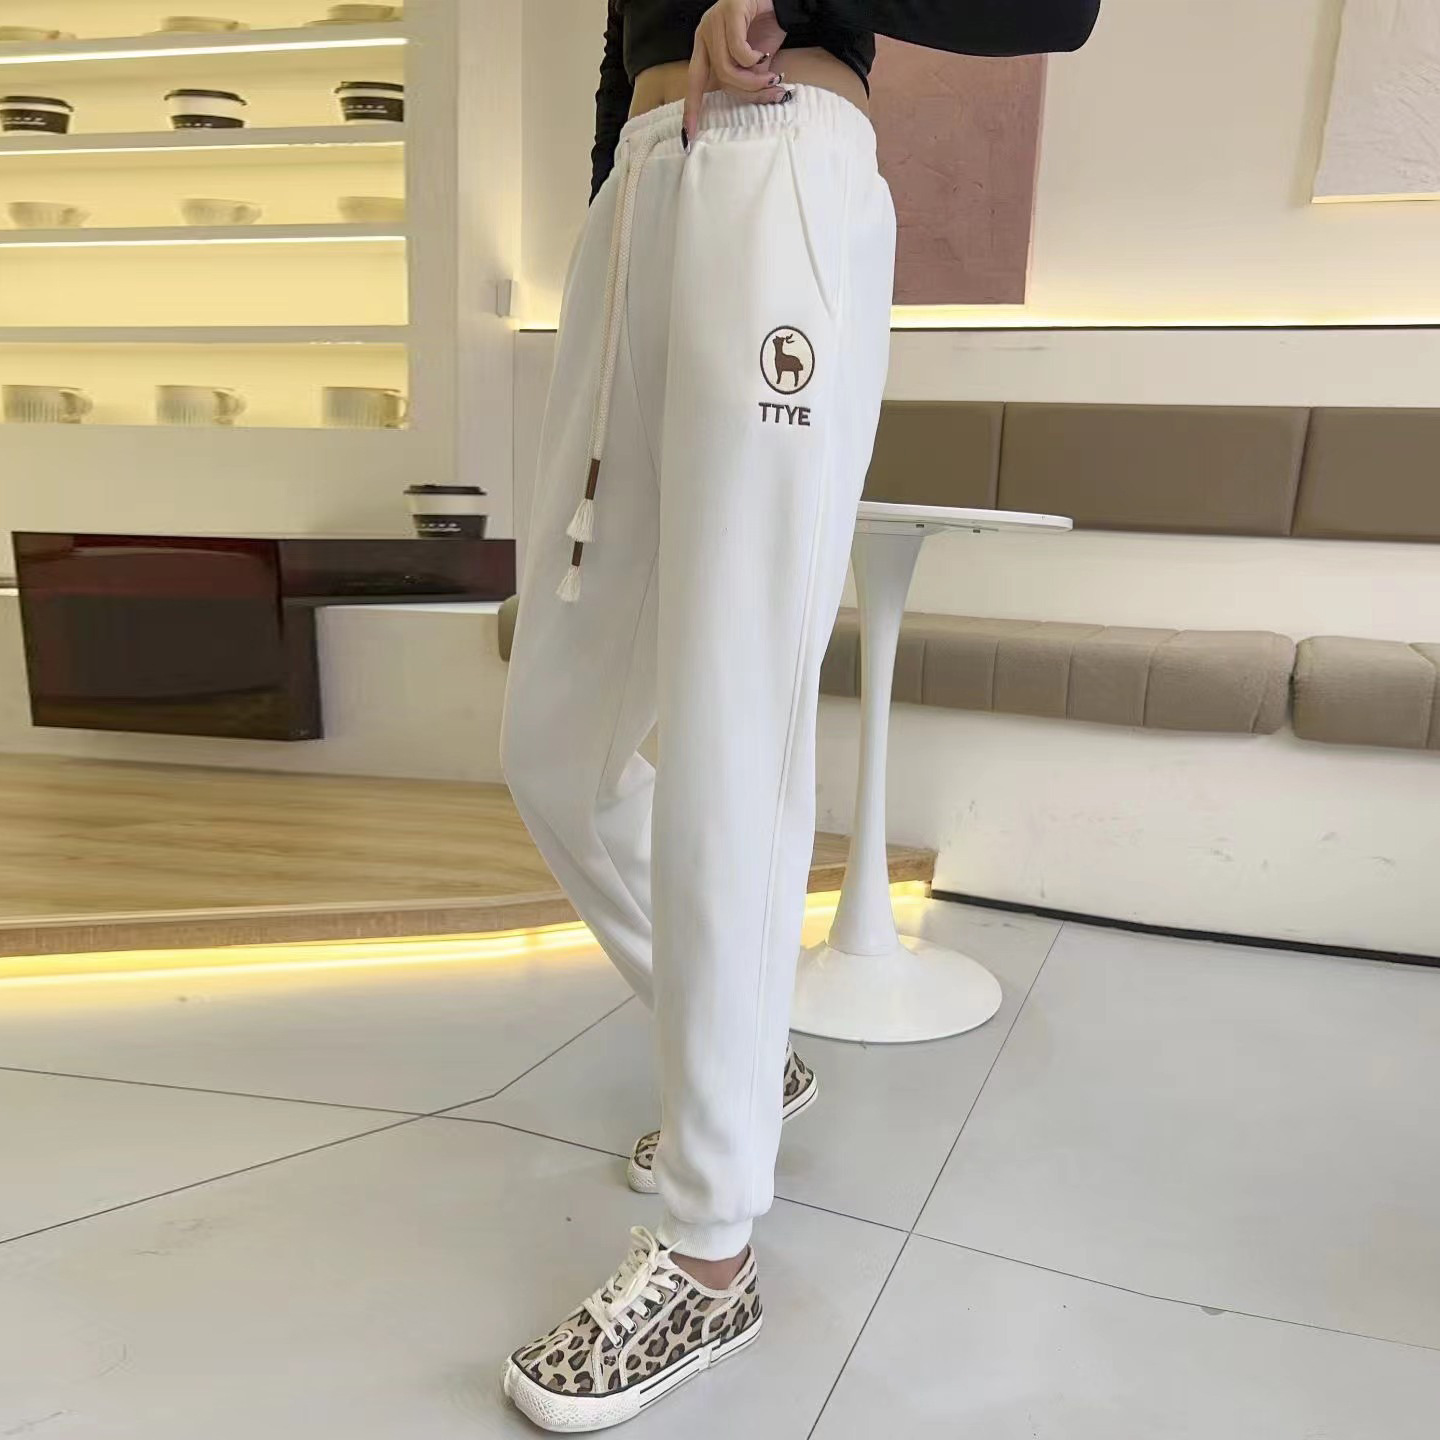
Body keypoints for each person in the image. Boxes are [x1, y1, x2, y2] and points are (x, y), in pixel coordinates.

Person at [500, 0, 1101, 1429]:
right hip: (642, 194)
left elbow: (1059, 10)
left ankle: (711, 1253)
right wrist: (618, 175)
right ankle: (743, 1051)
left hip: (781, 170)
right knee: (555, 748)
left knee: (731, 718)